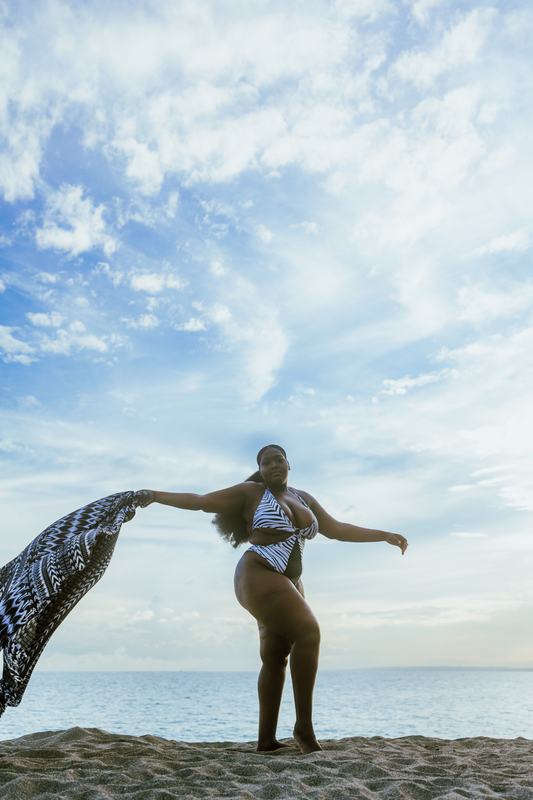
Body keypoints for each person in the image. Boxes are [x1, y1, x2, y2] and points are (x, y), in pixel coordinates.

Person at [144, 444, 408, 754]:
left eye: (278, 459)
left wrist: (383, 535)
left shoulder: (303, 498)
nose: (273, 465)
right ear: (260, 469)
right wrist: (153, 495)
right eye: (266, 462)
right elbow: (202, 502)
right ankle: (304, 731)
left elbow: (336, 529)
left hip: (291, 581)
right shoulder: (251, 492)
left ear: (288, 464)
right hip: (257, 573)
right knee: (309, 632)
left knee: (275, 656)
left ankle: (266, 742)